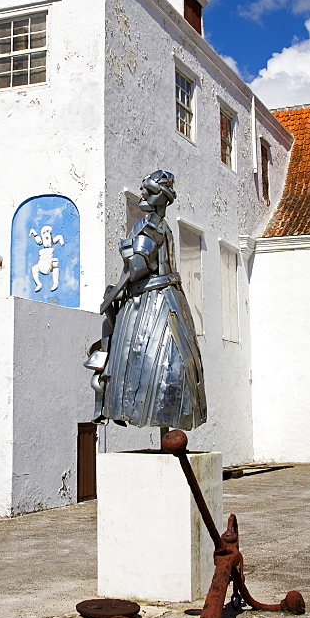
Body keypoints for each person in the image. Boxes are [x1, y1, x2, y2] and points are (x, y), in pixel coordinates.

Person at [85, 170, 206, 430]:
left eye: (148, 191)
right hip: (170, 298)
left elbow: (137, 268)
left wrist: (115, 291)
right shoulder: (164, 227)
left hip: (150, 300)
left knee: (140, 358)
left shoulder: (148, 225)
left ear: (161, 198)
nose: (142, 195)